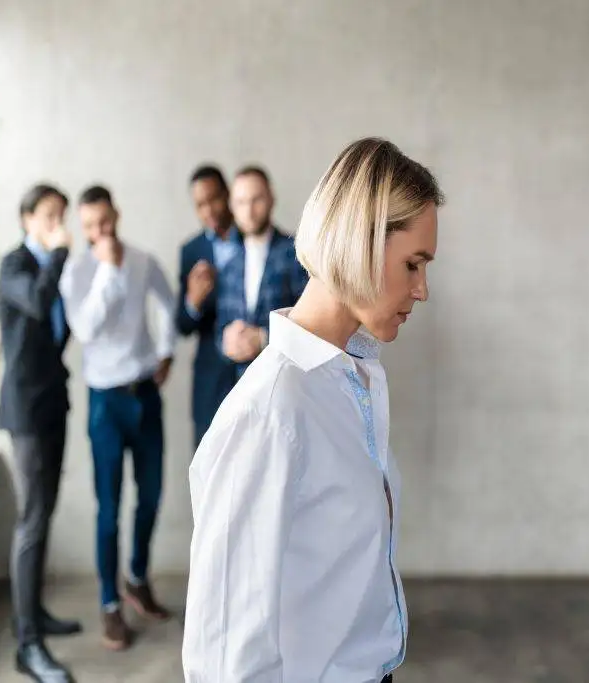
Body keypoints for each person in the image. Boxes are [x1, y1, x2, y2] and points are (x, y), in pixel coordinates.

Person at [183, 138, 443, 683]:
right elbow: (225, 652)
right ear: (360, 243)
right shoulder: (272, 411)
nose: (422, 290)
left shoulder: (354, 378)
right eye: (413, 264)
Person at [58, 185, 177, 651]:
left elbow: (167, 302)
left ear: (117, 215)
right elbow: (85, 329)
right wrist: (108, 268)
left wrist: (165, 351)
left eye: (105, 222)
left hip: (145, 395)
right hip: (105, 402)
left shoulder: (144, 260)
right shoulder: (77, 271)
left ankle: (137, 579)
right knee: (108, 507)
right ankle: (110, 604)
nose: (99, 232)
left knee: (150, 497)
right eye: (89, 226)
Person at [0, 184, 80, 683]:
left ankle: (34, 614)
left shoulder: (51, 266)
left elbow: (58, 334)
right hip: (26, 413)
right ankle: (27, 645)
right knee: (30, 522)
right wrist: (62, 251)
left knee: (44, 514)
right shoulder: (15, 267)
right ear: (27, 219)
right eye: (49, 216)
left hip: (53, 405)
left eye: (60, 216)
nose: (57, 224)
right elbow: (38, 300)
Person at [213, 165, 309, 379]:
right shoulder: (228, 261)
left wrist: (264, 338)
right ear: (232, 206)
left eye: (256, 199)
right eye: (241, 202)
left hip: (288, 381)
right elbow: (220, 326)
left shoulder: (297, 253)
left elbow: (312, 321)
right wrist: (226, 342)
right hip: (241, 387)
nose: (249, 211)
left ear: (271, 199)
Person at [175, 165, 239, 449]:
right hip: (209, 381)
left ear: (227, 195)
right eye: (200, 205)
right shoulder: (191, 250)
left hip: (254, 372)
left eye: (213, 199)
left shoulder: (257, 239)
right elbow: (182, 324)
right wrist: (193, 301)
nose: (209, 210)